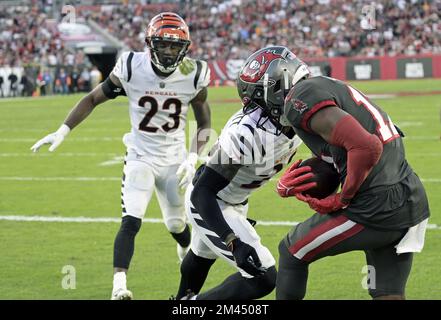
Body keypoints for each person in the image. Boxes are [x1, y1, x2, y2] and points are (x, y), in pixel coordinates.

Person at [30, 12, 211, 300]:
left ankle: (183, 247)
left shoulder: (193, 72)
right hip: (140, 154)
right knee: (131, 220)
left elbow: (204, 124)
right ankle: (119, 286)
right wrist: (62, 130)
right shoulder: (131, 65)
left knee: (176, 225)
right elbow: (92, 98)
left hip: (175, 161)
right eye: (163, 44)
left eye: (174, 46)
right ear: (150, 44)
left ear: (185, 48)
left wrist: (192, 158)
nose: (168, 52)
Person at [238, 46, 430, 300]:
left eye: (259, 98)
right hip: (410, 195)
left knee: (292, 251)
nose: (261, 109)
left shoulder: (300, 96)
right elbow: (352, 146)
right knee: (387, 293)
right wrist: (315, 171)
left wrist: (343, 198)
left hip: (376, 206)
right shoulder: (323, 86)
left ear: (275, 84)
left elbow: (366, 146)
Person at [175, 47, 308, 300]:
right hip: (209, 201)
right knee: (263, 276)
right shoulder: (247, 133)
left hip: (236, 199)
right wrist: (232, 240)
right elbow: (203, 192)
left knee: (201, 256)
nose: (302, 94)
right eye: (295, 86)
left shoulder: (298, 117)